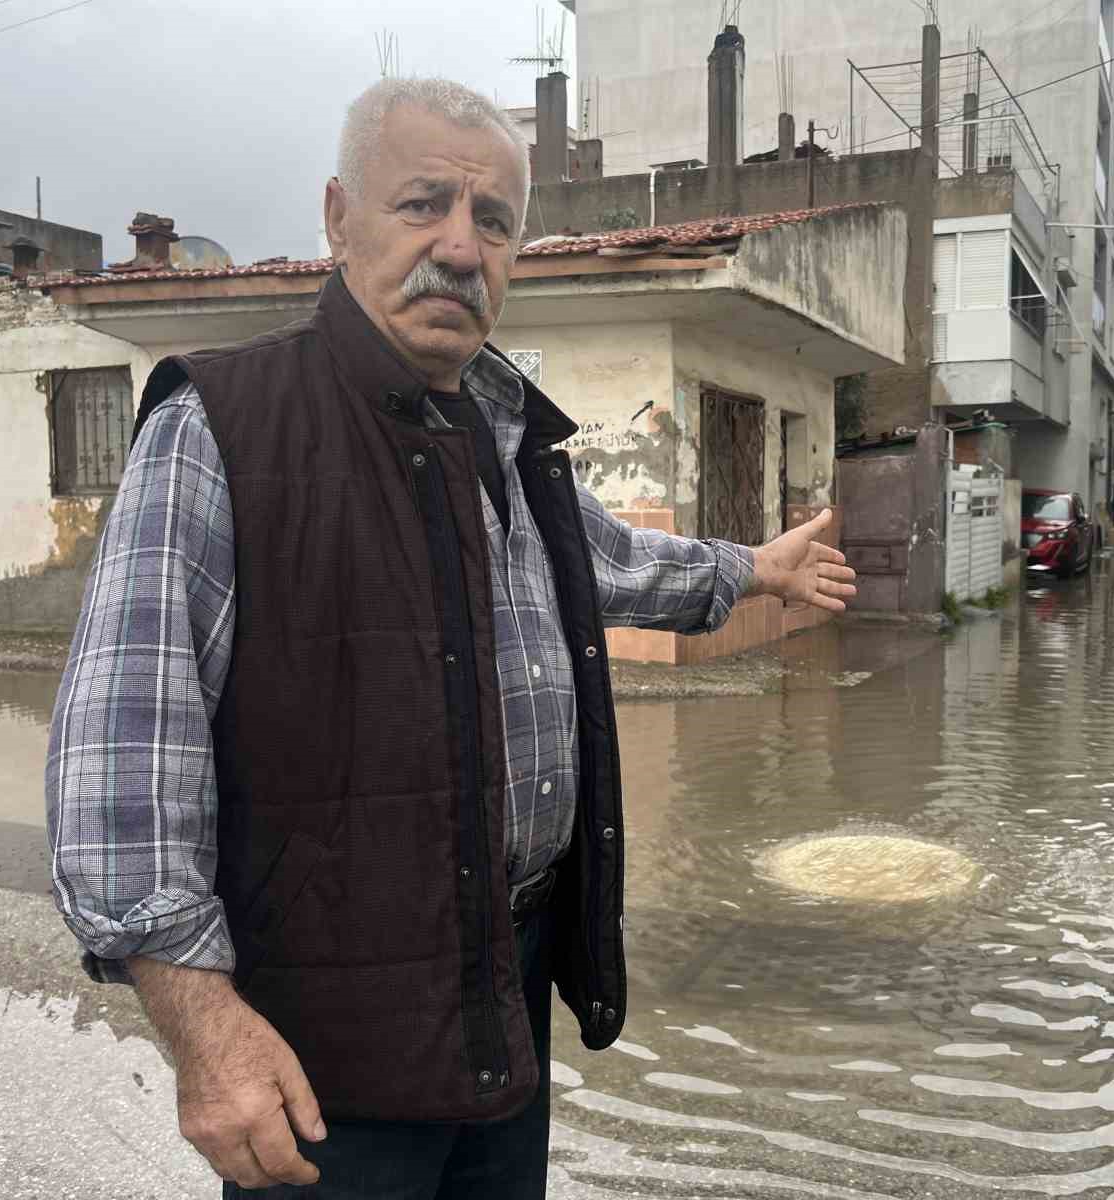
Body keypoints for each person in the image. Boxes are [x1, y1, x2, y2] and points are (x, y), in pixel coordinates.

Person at [44, 78, 857, 1198]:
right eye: (422, 205)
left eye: (493, 221)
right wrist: (205, 1029)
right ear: (339, 217)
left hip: (501, 992)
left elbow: (612, 561)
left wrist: (755, 570)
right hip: (320, 1042)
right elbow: (118, 764)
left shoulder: (507, 439)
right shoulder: (221, 428)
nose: (461, 249)